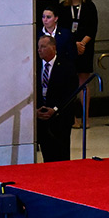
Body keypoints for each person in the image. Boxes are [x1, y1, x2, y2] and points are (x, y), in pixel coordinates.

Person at [61, 0, 98, 128]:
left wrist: (82, 43)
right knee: (70, 83)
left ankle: (85, 118)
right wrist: (73, 44)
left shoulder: (89, 6)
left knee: (83, 83)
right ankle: (72, 117)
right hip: (68, 48)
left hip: (85, 48)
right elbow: (61, 29)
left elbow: (92, 28)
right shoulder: (63, 7)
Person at [35, 35, 74, 163]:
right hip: (41, 117)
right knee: (47, 155)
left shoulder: (66, 66)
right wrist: (35, 111)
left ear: (53, 47)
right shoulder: (35, 67)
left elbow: (70, 93)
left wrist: (55, 109)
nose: (39, 50)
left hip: (61, 118)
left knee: (61, 155)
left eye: (43, 47)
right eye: (38, 47)